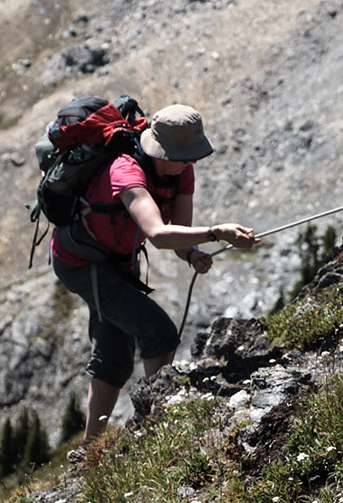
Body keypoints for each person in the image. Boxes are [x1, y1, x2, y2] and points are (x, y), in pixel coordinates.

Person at [50, 103, 258, 447]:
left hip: (117, 260)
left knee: (114, 356)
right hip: (82, 262)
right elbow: (159, 234)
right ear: (161, 151)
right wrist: (218, 232)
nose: (189, 163)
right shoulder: (126, 171)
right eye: (183, 156)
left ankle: (90, 452)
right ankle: (158, 430)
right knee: (159, 334)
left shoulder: (181, 171)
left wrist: (191, 254)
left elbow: (178, 234)